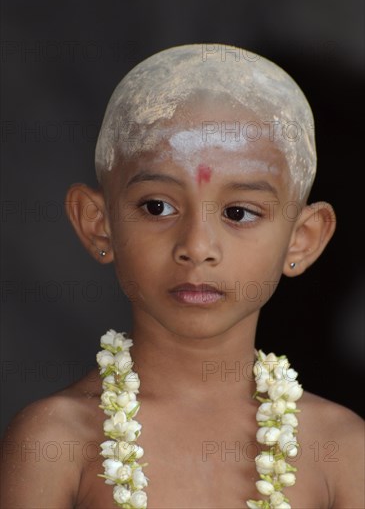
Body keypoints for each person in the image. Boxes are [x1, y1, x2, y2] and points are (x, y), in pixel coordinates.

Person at [1, 44, 363, 509]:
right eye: (157, 207)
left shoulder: (342, 451)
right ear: (98, 223)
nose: (196, 246)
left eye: (239, 212)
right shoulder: (56, 442)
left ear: (303, 239)